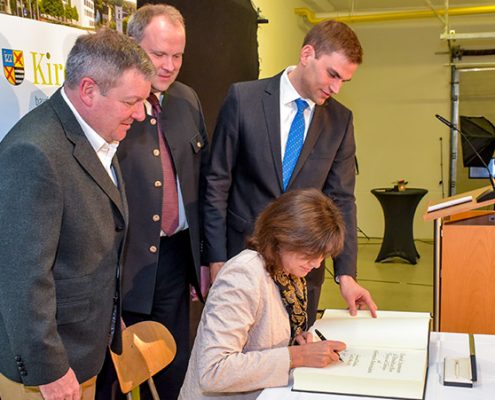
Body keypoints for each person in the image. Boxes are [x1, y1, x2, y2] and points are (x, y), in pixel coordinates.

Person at [0, 29, 154, 400]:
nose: (141, 113)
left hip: (85, 350)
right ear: (88, 91)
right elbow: (21, 277)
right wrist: (48, 368)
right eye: (131, 101)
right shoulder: (33, 152)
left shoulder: (100, 132)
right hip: (48, 372)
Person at [203, 20, 377, 326]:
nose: (336, 88)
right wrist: (216, 259)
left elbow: (342, 201)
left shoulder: (340, 121)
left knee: (299, 355)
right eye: (332, 75)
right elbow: (217, 182)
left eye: (344, 82)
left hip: (305, 270)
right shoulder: (244, 100)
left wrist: (346, 274)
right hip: (244, 255)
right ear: (307, 54)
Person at [115, 4, 208, 399]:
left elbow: (203, 181)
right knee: (117, 379)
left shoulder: (187, 99)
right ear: (133, 46)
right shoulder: (113, 101)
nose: (169, 66)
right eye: (158, 54)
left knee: (172, 376)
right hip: (122, 265)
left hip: (174, 263)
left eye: (177, 55)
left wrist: (201, 259)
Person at [180, 188, 348, 399]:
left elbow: (264, 338)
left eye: (323, 255)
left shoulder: (287, 271)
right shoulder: (242, 276)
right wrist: (295, 356)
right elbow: (213, 371)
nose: (316, 264)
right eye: (309, 254)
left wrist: (296, 342)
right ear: (281, 237)